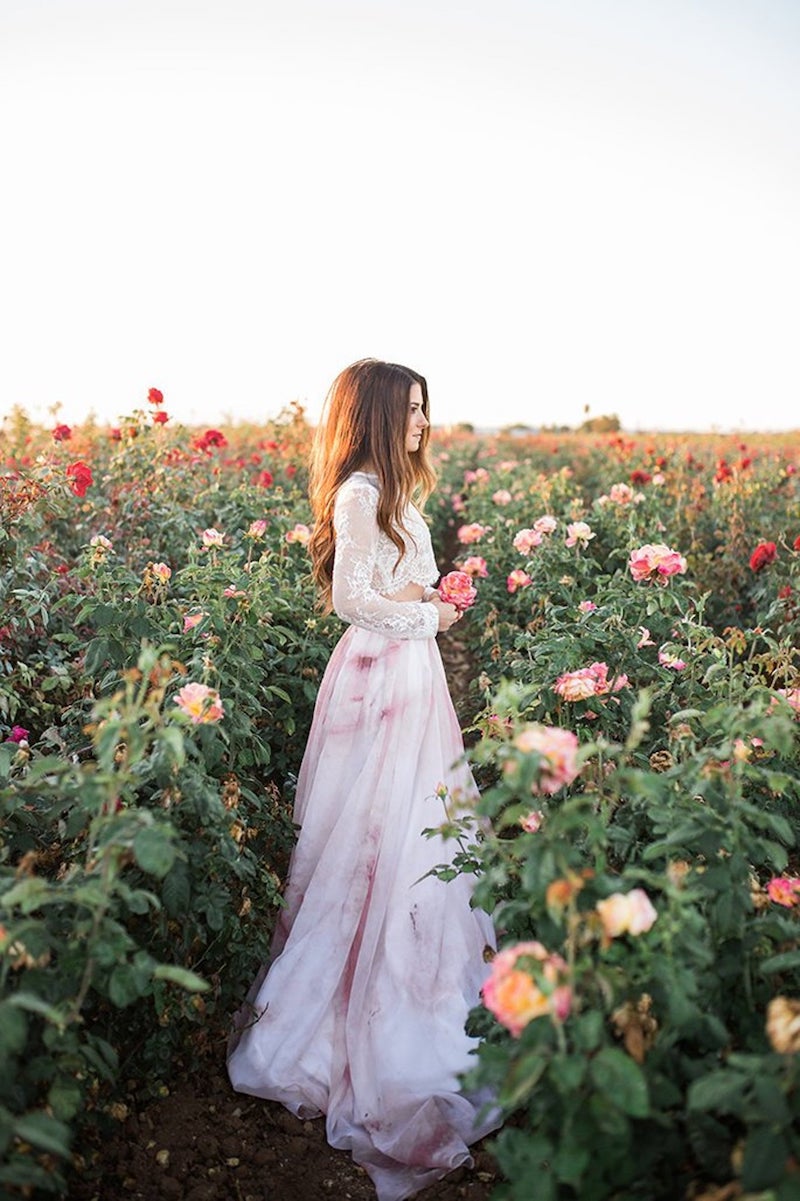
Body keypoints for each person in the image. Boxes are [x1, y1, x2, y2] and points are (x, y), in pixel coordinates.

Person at [227, 358, 500, 1201]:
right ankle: (343, 1015)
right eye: (411, 409)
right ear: (378, 414)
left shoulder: (398, 493)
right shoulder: (356, 491)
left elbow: (401, 581)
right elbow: (352, 598)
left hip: (414, 678)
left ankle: (419, 985)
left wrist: (433, 601)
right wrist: (431, 611)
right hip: (377, 677)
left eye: (426, 408)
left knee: (421, 830)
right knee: (368, 836)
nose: (423, 422)